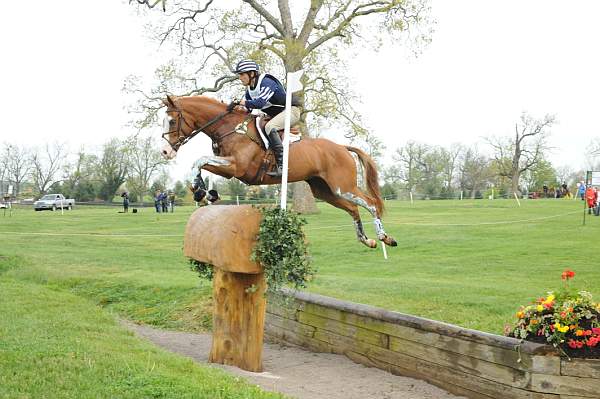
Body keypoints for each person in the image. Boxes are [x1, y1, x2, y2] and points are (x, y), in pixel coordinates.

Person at [232, 59, 302, 177]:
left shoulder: (267, 82)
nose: (240, 77)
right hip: (276, 115)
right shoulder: (250, 91)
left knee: (270, 126)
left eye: (242, 74)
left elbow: (259, 103)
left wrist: (241, 102)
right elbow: (248, 109)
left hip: (291, 111)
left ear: (252, 74)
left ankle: (282, 166)